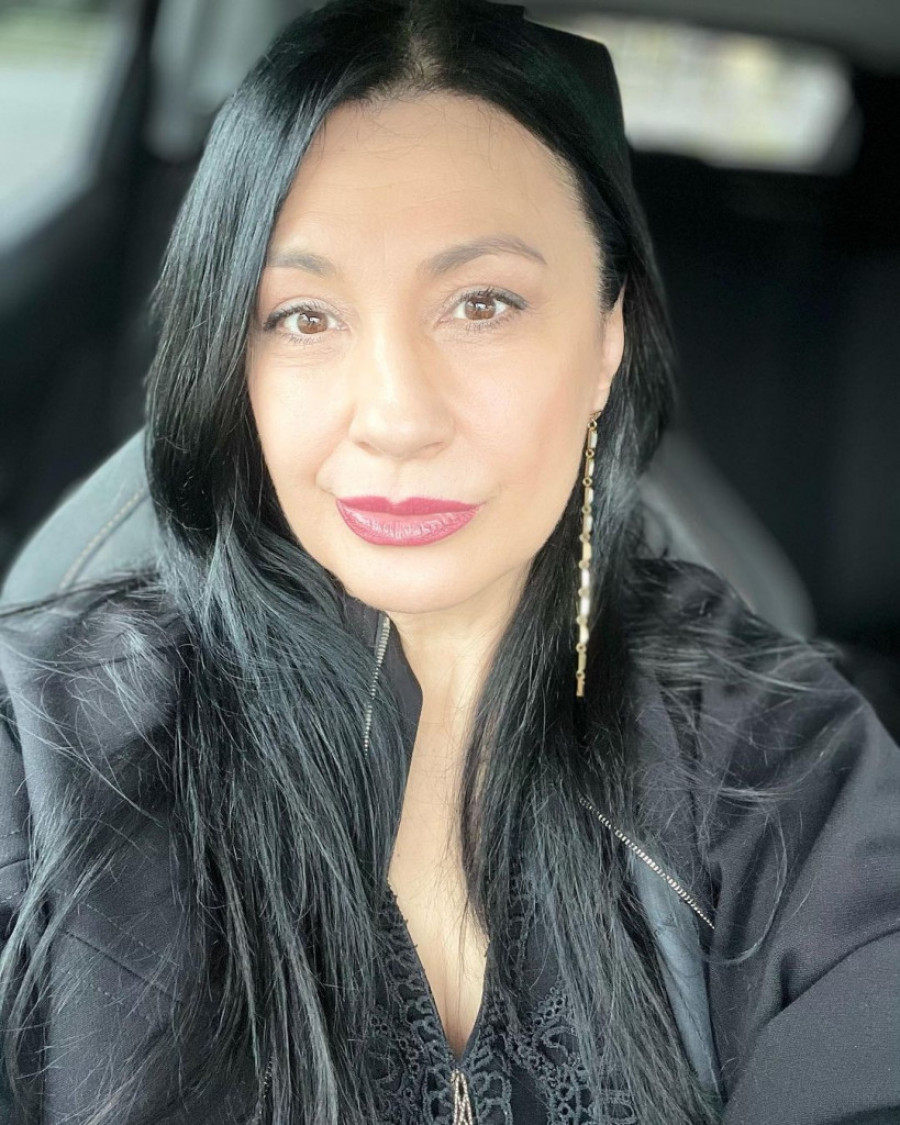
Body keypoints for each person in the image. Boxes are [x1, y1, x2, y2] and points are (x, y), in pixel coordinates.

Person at [1, 0, 898, 1122]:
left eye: (483, 304)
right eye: (304, 316)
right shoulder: (42, 754)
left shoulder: (782, 754)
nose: (397, 418)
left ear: (607, 336)